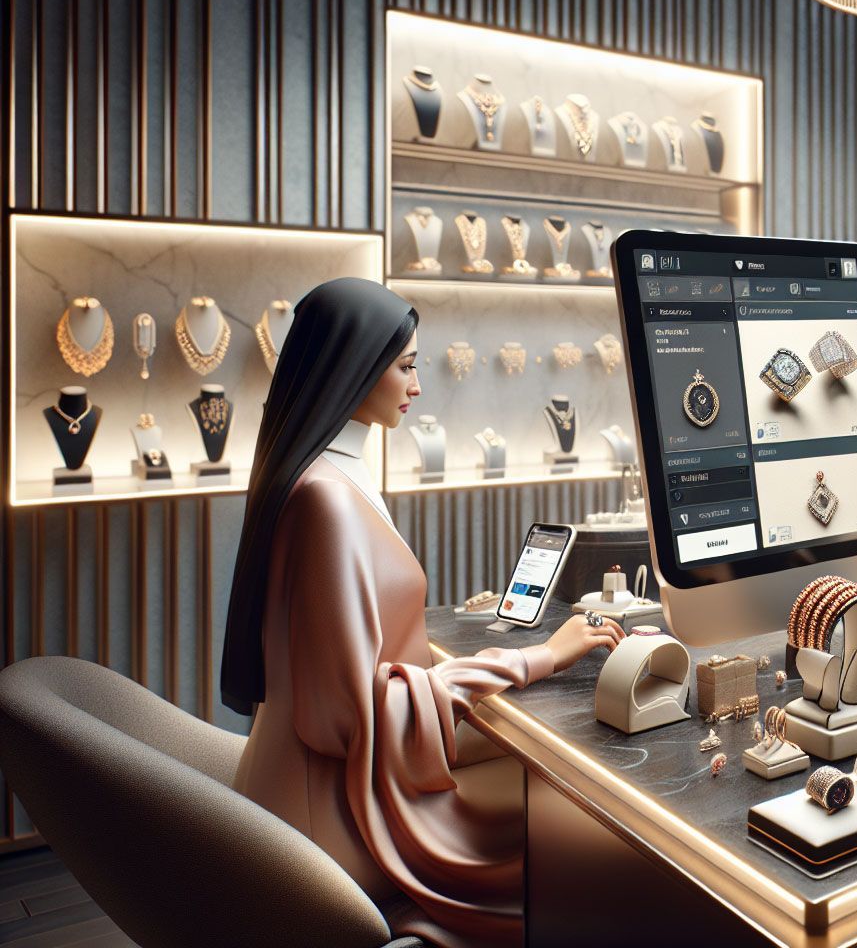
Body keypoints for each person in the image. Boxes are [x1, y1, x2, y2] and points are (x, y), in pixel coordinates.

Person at [219, 277, 622, 947]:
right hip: (331, 819)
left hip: (309, 782)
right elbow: (358, 715)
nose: (417, 384)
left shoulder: (323, 475)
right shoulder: (326, 500)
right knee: (570, 840)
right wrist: (537, 657)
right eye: (406, 365)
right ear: (353, 369)